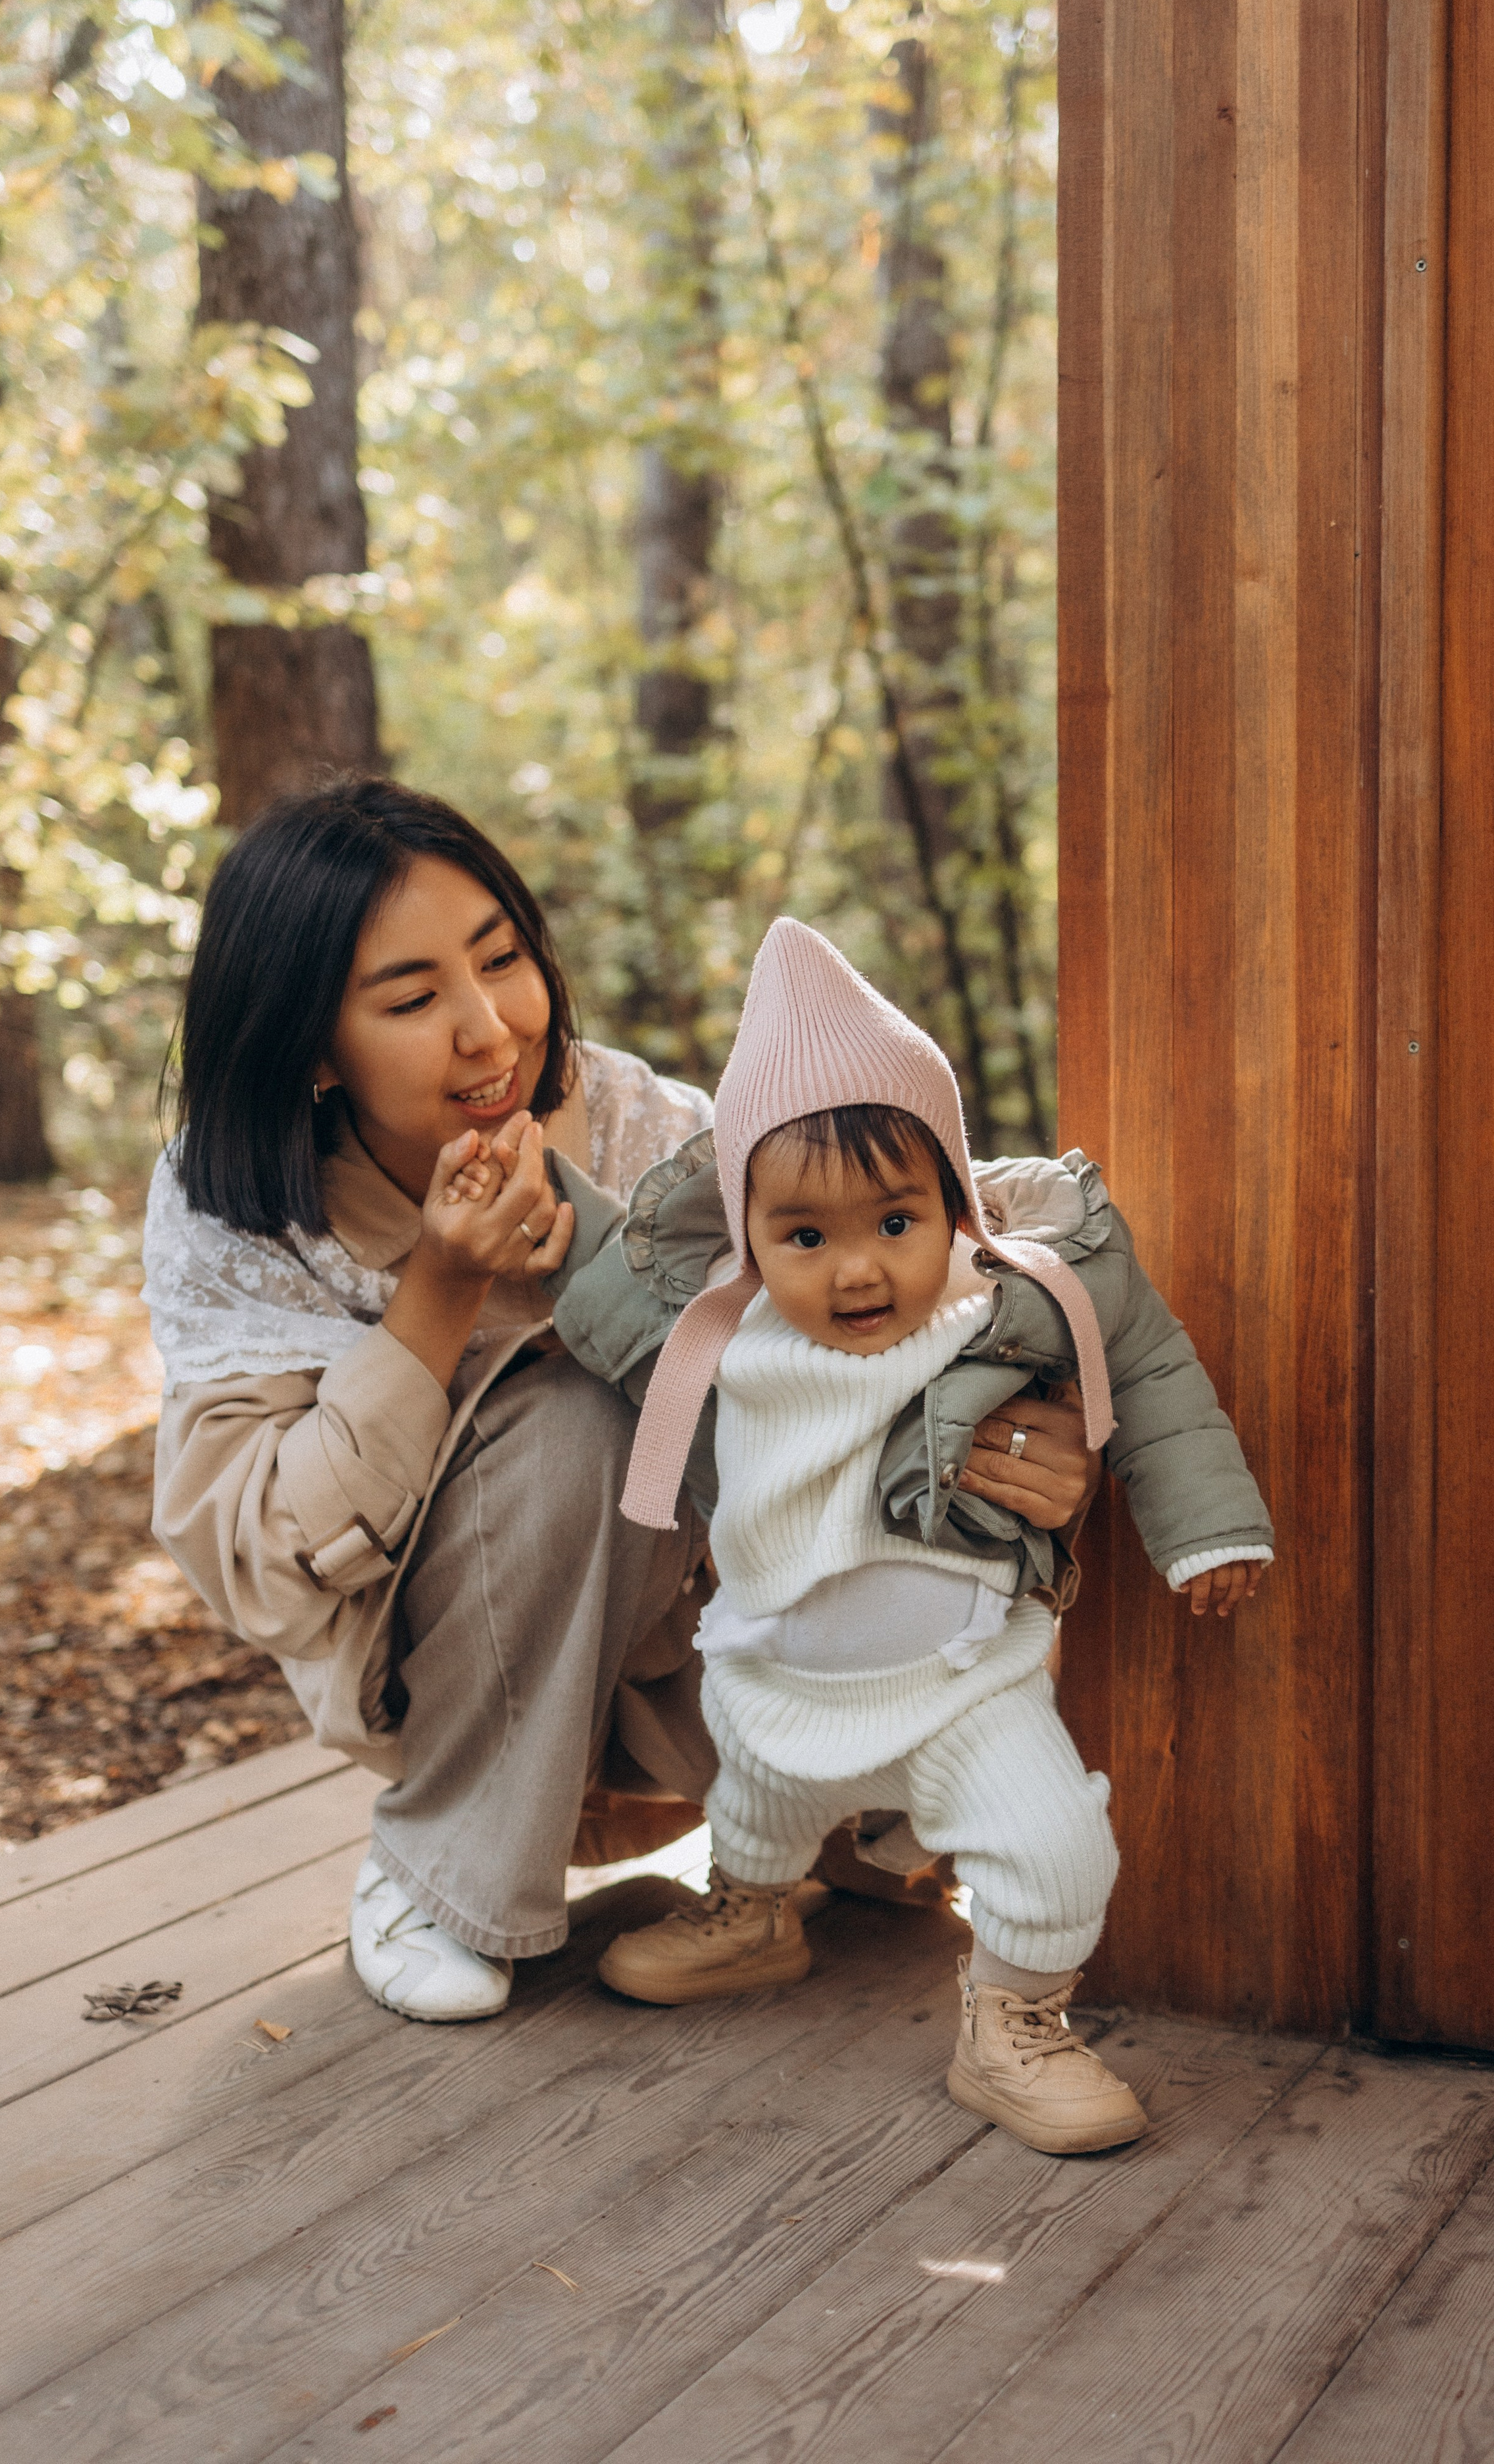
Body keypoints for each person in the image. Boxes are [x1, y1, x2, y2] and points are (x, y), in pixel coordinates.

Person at [141, 779, 1099, 2028]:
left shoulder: (641, 1124)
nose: (490, 1030)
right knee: (585, 1411)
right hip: (428, 1656)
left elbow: (916, 1254)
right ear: (313, 1044)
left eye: (503, 961)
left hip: (699, 1621)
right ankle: (442, 1872)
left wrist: (1043, 1413)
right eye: (415, 998)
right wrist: (442, 1286)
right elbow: (261, 1567)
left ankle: (839, 1805)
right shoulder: (239, 1208)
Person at [540, 919, 1273, 2154]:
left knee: (1058, 1855)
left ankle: (1013, 2024)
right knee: (759, 1804)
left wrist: (1208, 1530)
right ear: (747, 1234)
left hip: (963, 1692)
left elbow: (1150, 1368)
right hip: (776, 1678)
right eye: (805, 1237)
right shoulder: (729, 1331)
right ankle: (755, 1912)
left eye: (896, 1220)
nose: (860, 1270)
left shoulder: (1014, 1310)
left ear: (956, 1199)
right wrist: (545, 1207)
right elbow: (606, 1295)